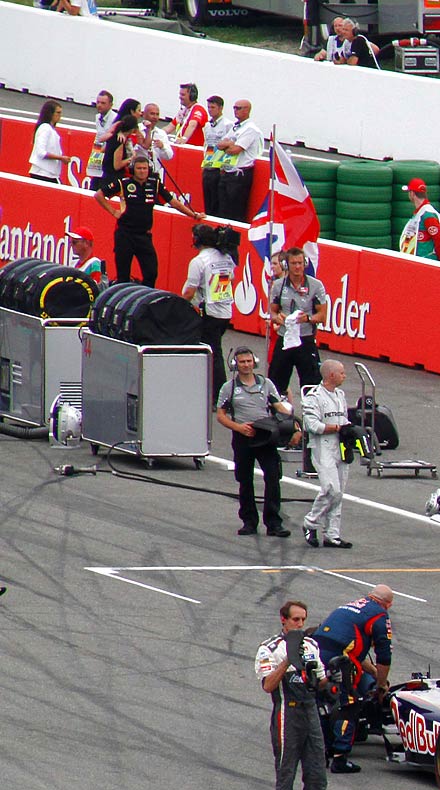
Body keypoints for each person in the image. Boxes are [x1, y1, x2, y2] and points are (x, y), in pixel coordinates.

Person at [255, 599, 345, 790]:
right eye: (296, 619)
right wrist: (287, 662)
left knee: (317, 775)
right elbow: (267, 686)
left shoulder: (312, 645)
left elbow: (320, 682)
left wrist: (332, 678)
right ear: (283, 620)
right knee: (286, 776)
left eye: (303, 619)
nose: (300, 624)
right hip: (287, 714)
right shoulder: (269, 648)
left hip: (310, 712)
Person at [313, 586, 395, 774]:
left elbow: (351, 649)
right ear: (387, 604)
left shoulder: (349, 607)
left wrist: (373, 673)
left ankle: (323, 750)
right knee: (349, 704)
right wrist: (381, 684)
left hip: (316, 652)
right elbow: (384, 656)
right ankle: (340, 758)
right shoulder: (379, 615)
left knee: (322, 702)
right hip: (339, 659)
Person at [215, 346, 296, 537]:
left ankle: (274, 522)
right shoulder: (229, 388)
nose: (246, 365)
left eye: (249, 361)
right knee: (244, 480)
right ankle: (249, 521)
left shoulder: (266, 384)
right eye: (242, 362)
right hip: (242, 437)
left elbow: (279, 406)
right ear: (236, 364)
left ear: (254, 362)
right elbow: (221, 415)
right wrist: (239, 427)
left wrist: (293, 418)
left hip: (265, 436)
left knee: (273, 476)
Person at [96, 155, 199, 287]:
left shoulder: (154, 183)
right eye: (139, 168)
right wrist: (113, 211)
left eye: (145, 168)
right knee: (123, 275)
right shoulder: (124, 183)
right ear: (133, 169)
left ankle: (144, 300)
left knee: (151, 272)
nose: (142, 171)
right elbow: (99, 194)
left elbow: (173, 202)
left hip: (144, 235)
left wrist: (193, 214)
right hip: (124, 234)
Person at [300, 360, 355, 550]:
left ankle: (332, 534)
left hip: (340, 445)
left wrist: (348, 430)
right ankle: (310, 522)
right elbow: (311, 426)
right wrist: (338, 427)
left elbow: (344, 419)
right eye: (341, 372)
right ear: (331, 375)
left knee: (340, 491)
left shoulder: (340, 394)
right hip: (322, 446)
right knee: (332, 489)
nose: (344, 376)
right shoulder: (313, 397)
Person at [267, 248, 329, 403]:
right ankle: (276, 418)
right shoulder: (278, 285)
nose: (297, 267)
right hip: (284, 339)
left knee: (311, 386)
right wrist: (278, 319)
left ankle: (312, 419)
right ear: (286, 265)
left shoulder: (316, 286)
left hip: (306, 340)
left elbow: (322, 316)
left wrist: (307, 318)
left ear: (305, 264)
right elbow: (273, 313)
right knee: (275, 384)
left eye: (300, 263)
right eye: (293, 263)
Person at [182, 224, 237, 398]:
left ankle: (218, 395)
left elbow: (189, 292)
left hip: (209, 313)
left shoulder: (198, 262)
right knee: (210, 351)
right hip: (225, 312)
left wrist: (178, 308)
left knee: (212, 353)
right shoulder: (227, 258)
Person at [215, 100, 263, 222]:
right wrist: (229, 143)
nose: (235, 111)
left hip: (239, 175)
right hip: (227, 172)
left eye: (238, 108)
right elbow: (220, 144)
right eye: (234, 108)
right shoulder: (235, 127)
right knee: (222, 210)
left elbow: (235, 149)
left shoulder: (251, 129)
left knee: (235, 212)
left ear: (247, 110)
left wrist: (230, 144)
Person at [399, 178, 440, 261]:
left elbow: (439, 238)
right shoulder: (419, 213)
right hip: (418, 261)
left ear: (412, 194)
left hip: (427, 261)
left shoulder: (428, 214)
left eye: (409, 192)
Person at [200, 95, 230, 214]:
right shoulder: (207, 125)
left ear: (220, 108)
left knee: (217, 202)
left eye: (213, 107)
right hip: (208, 166)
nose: (210, 110)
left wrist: (224, 165)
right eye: (208, 107)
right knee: (208, 200)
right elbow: (208, 145)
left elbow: (229, 145)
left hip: (219, 169)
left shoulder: (228, 125)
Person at [29, 101, 71, 183]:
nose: (60, 116)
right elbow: (41, 153)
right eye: (58, 113)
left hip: (47, 172)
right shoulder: (45, 128)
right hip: (42, 172)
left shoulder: (50, 129)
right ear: (50, 113)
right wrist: (61, 158)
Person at [84, 91, 114, 191]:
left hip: (108, 155)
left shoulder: (115, 118)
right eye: (98, 102)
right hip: (97, 153)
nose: (99, 105)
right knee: (94, 183)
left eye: (103, 103)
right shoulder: (97, 117)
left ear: (111, 105)